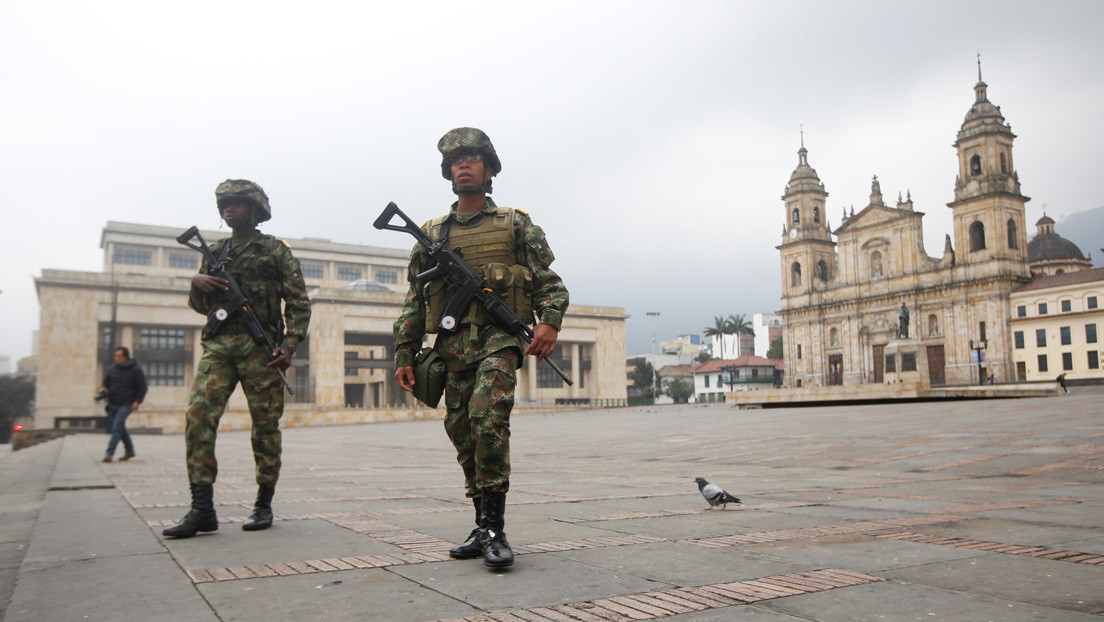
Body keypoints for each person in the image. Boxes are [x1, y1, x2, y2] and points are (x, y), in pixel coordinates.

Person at [393, 128, 569, 568]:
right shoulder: (432, 233)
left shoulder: (516, 223)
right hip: (452, 346)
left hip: (499, 338)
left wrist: (548, 323)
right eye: (456, 161)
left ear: (489, 170)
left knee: (487, 419)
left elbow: (548, 282)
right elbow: (415, 300)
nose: (464, 165)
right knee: (462, 431)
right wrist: (404, 354)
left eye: (473, 158)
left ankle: (496, 529)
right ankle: (481, 522)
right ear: (448, 173)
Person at [163, 179, 311, 538]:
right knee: (198, 418)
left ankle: (263, 503)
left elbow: (298, 302)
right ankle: (202, 509)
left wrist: (289, 346)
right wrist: (197, 282)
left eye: (238, 203)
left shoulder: (274, 249)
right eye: (225, 204)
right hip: (219, 347)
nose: (229, 209)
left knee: (264, 428)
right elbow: (202, 306)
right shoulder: (215, 251)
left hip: (260, 351)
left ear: (255, 208)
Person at [98, 347, 147, 462]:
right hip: (112, 403)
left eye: (119, 356)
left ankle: (109, 453)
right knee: (120, 427)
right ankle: (129, 451)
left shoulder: (135, 370)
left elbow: (142, 387)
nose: (117, 358)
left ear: (126, 357)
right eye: (115, 356)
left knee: (116, 427)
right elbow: (106, 383)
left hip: (127, 403)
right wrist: (102, 389)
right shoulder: (111, 370)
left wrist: (137, 401)